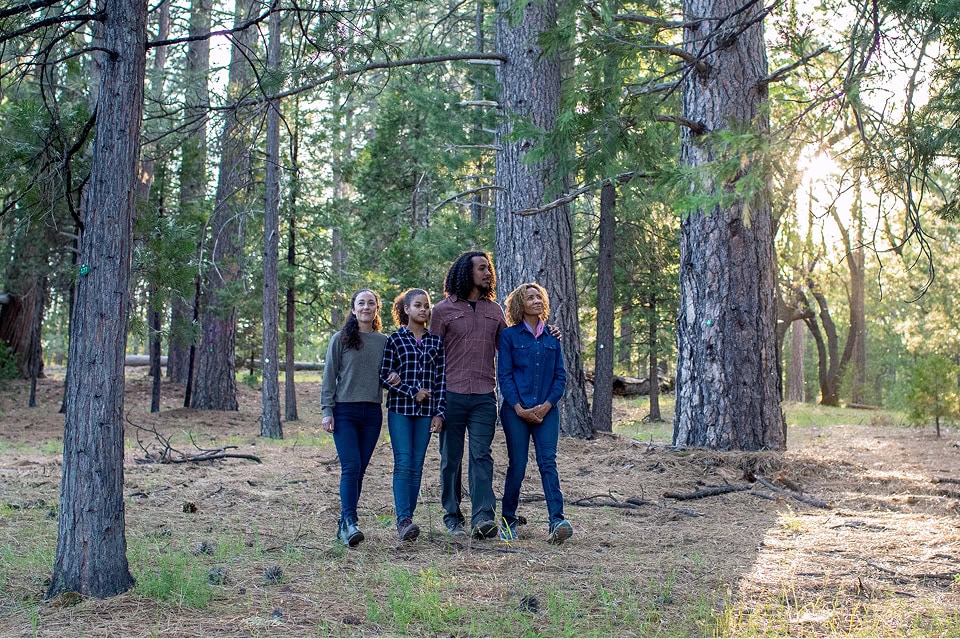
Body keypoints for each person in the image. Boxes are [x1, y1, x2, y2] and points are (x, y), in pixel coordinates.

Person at [430, 251, 506, 539]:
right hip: (450, 395)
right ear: (466, 273)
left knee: (481, 456)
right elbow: (432, 358)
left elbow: (510, 348)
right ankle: (452, 515)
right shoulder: (443, 311)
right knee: (451, 458)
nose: (488, 273)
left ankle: (483, 517)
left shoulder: (495, 311)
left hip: (484, 396)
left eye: (489, 269)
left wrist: (545, 333)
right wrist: (435, 404)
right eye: (482, 268)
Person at [497, 282, 572, 544]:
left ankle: (557, 521)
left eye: (539, 296)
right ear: (520, 304)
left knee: (548, 463)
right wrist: (519, 408)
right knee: (518, 465)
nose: (536, 300)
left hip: (547, 411)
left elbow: (560, 376)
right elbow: (504, 376)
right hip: (516, 411)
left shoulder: (552, 337)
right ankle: (508, 521)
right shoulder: (509, 336)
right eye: (530, 297)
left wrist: (547, 405)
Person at [320, 289, 388, 547]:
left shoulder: (383, 341)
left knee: (359, 470)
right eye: (361, 303)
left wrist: (393, 379)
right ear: (353, 309)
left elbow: (388, 375)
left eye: (371, 303)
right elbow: (329, 376)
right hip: (345, 411)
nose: (366, 307)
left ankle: (343, 525)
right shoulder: (340, 339)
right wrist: (327, 411)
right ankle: (350, 522)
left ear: (376, 309)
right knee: (350, 467)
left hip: (371, 413)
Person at [379, 289, 446, 542]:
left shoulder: (435, 342)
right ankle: (403, 519)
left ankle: (409, 521)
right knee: (404, 462)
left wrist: (440, 412)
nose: (423, 310)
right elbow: (385, 375)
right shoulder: (395, 340)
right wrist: (411, 391)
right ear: (406, 309)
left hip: (427, 413)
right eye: (417, 305)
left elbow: (441, 381)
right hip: (401, 410)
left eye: (426, 306)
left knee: (417, 465)